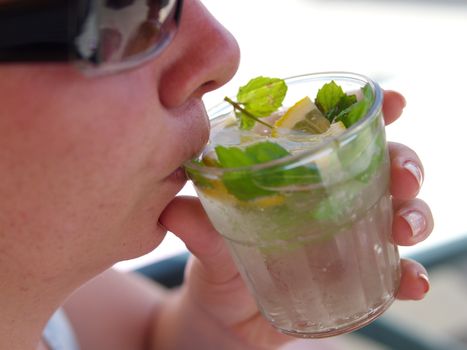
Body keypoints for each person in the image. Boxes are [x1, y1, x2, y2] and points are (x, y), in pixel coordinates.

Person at [0, 0, 434, 349]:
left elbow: (148, 336)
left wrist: (218, 332)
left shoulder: (38, 304)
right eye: (121, 10)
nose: (223, 52)